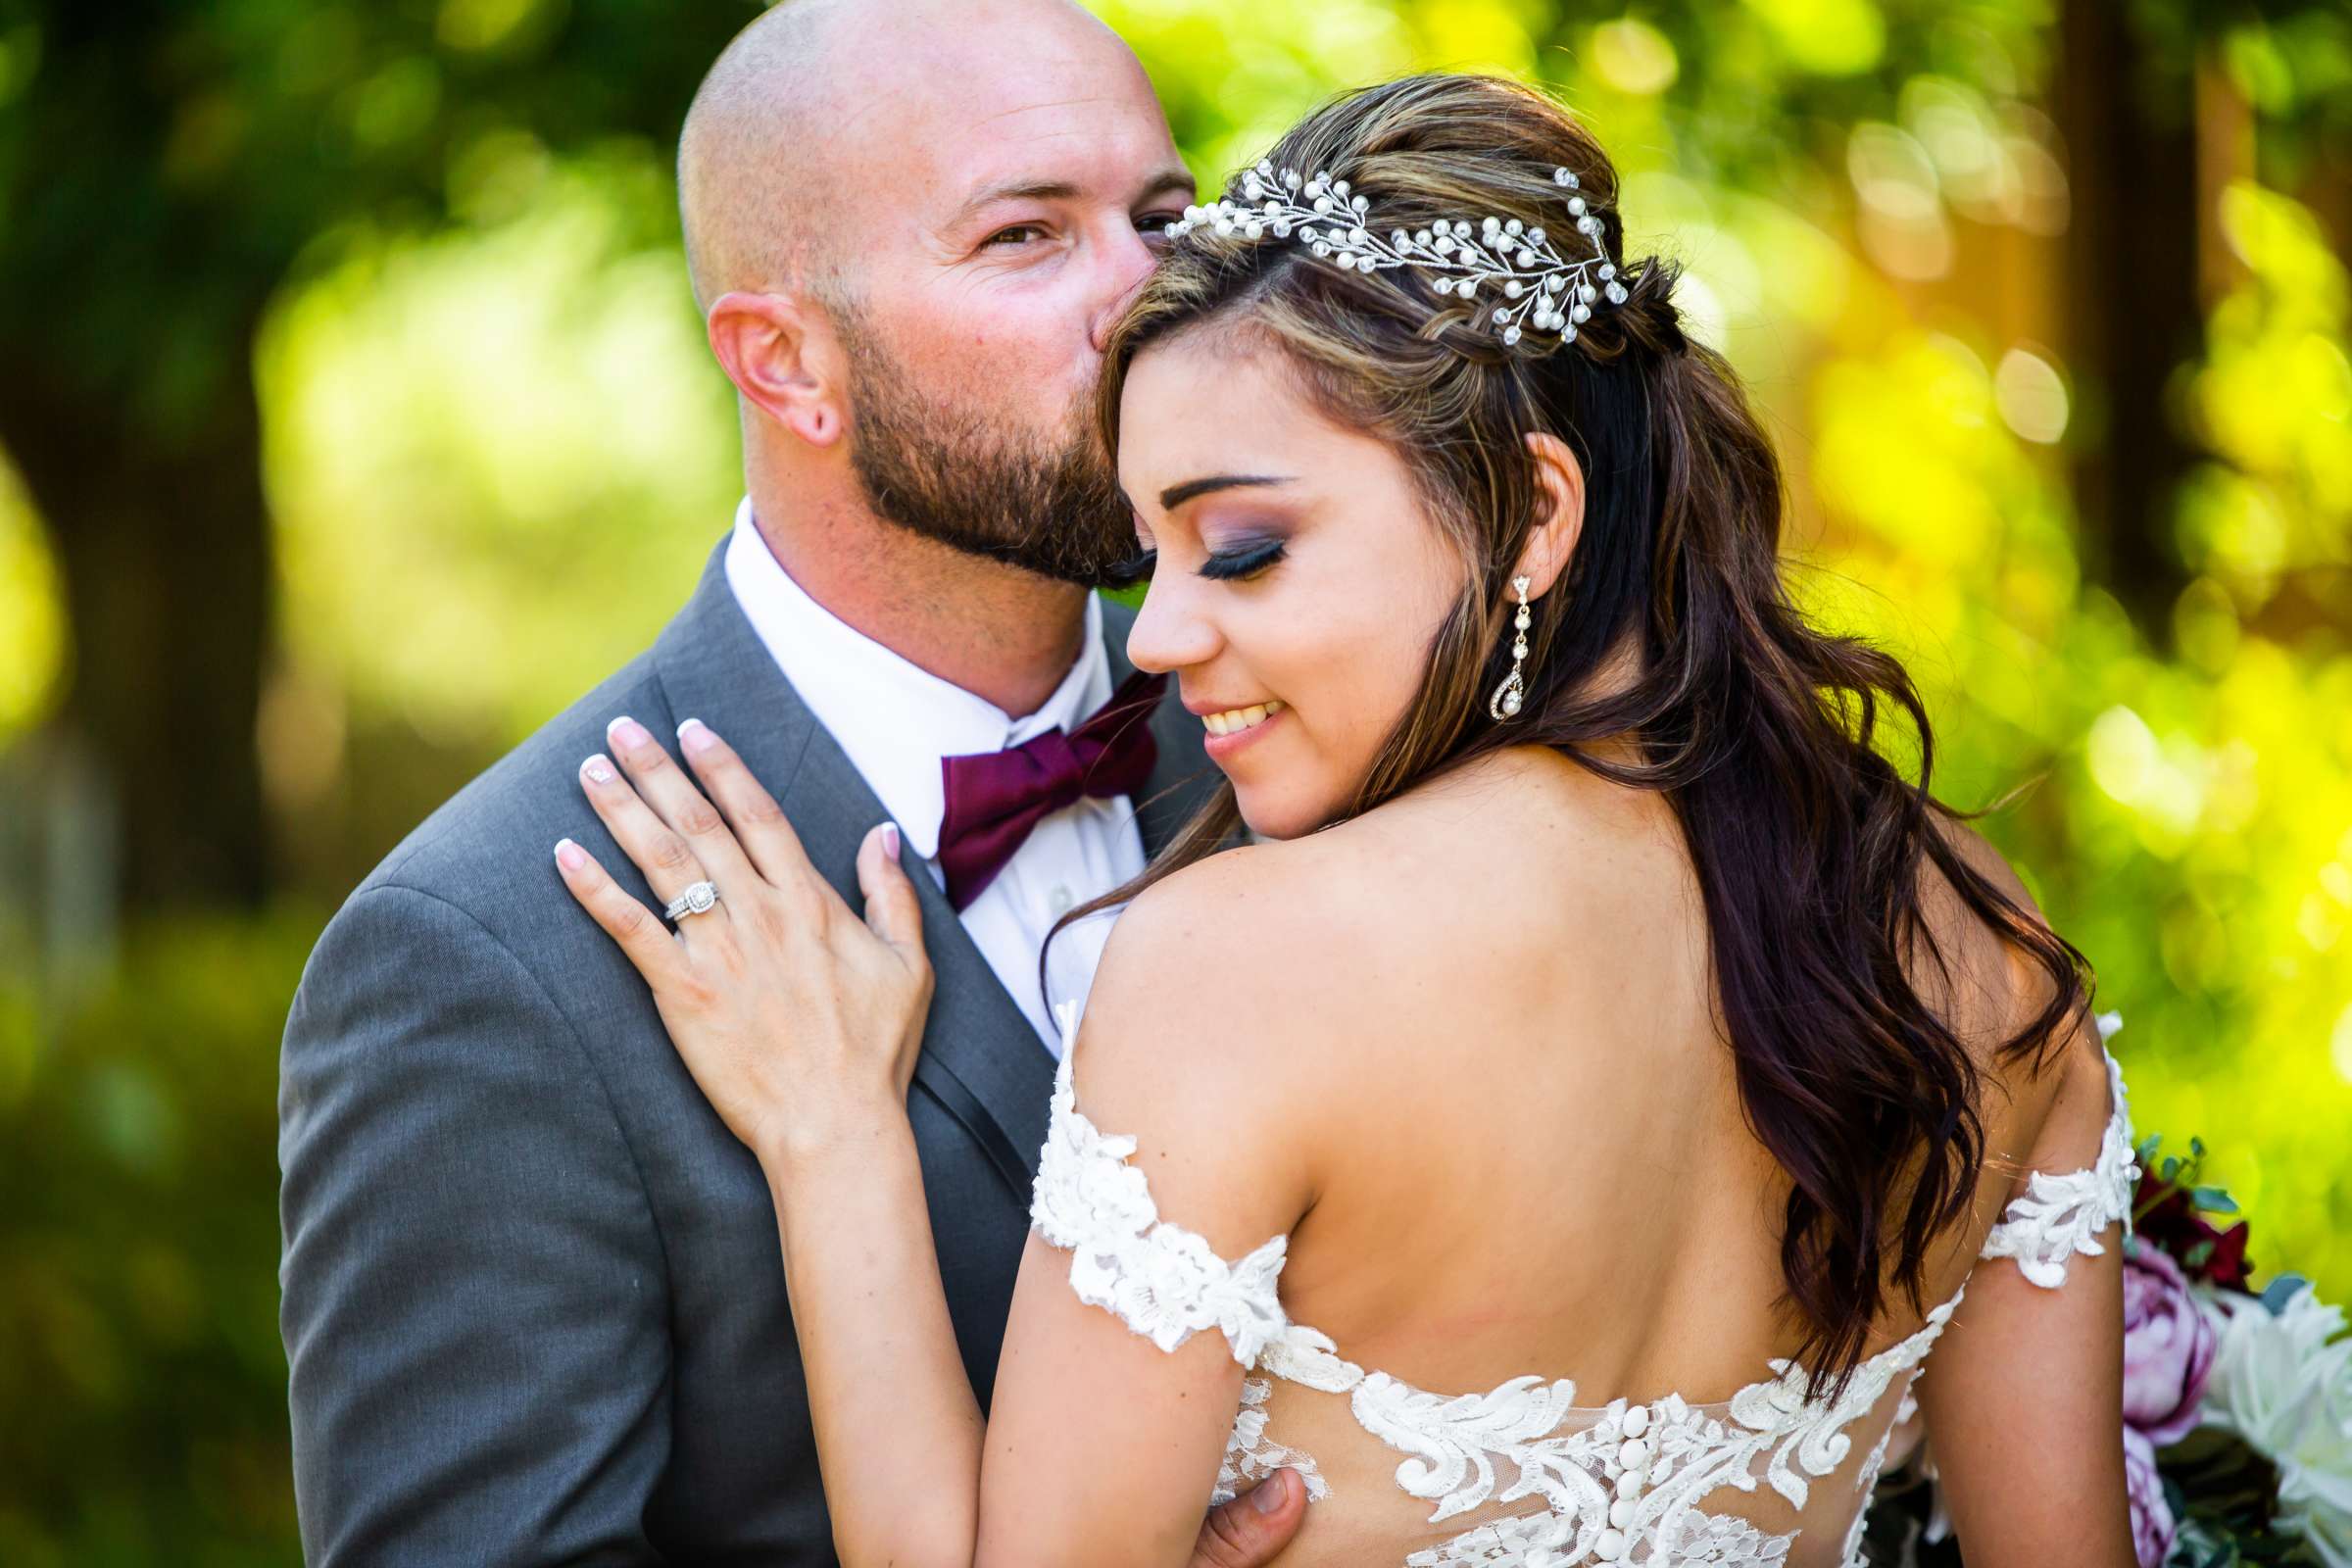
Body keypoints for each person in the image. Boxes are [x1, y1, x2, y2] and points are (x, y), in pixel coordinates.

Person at [555, 73, 2142, 1567]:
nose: (1159, 640)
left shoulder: (1238, 971)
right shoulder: (1991, 946)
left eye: (1238, 549)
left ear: (1529, 514)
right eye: (1146, 559)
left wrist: (835, 1140)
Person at [275, 0, 1309, 1560]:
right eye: (1027, 236)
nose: (1150, 298)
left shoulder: (1319, 762)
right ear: (789, 363)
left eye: (1165, 217)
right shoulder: (481, 953)